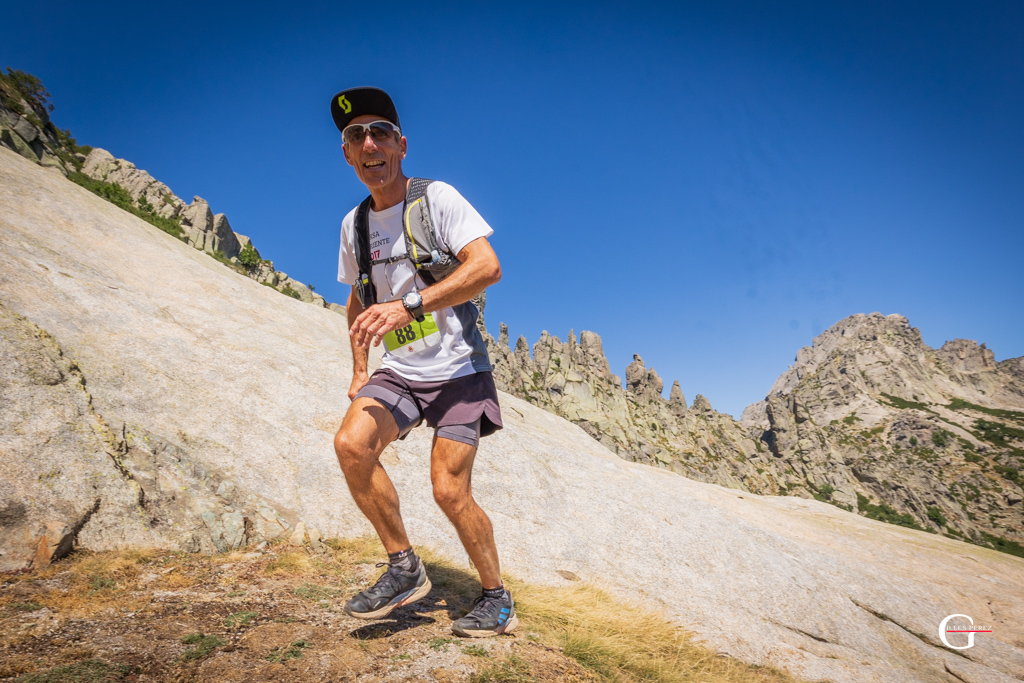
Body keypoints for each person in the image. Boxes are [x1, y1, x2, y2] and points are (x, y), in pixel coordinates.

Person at [329, 86, 516, 638]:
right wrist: (359, 368)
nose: (369, 144)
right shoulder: (354, 226)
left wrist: (408, 305)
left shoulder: (436, 199)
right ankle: (403, 566)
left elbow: (486, 266)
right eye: (356, 136)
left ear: (401, 144)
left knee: (449, 491)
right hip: (402, 372)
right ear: (347, 153)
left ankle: (496, 598)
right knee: (351, 446)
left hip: (459, 371)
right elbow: (358, 299)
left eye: (380, 132)